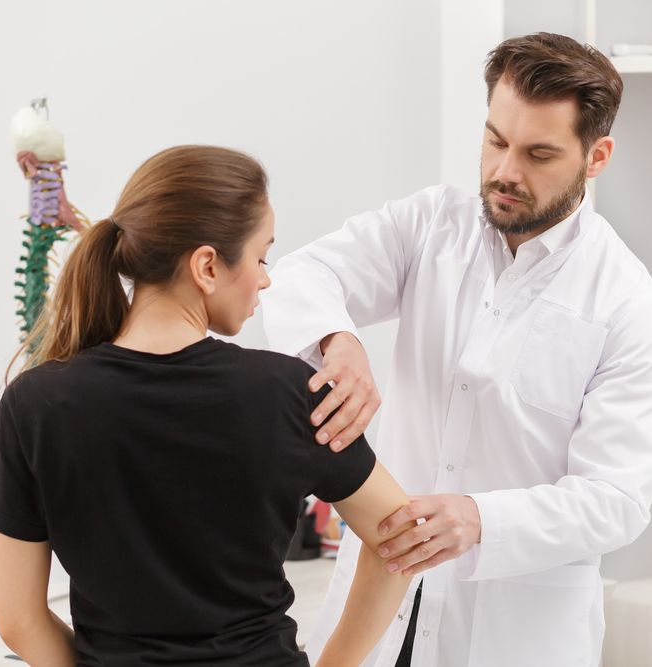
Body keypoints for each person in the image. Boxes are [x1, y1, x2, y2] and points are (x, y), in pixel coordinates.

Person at [261, 33, 652, 667]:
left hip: (514, 633)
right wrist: (340, 341)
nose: (505, 172)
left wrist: (479, 520)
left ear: (596, 155)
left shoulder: (627, 301)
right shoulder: (431, 225)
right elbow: (302, 274)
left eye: (539, 153)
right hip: (378, 619)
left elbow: (617, 500)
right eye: (496, 140)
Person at [0, 145, 416, 667]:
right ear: (207, 265)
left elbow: (17, 620)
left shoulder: (36, 403)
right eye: (261, 257)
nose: (266, 278)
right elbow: (403, 537)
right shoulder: (288, 392)